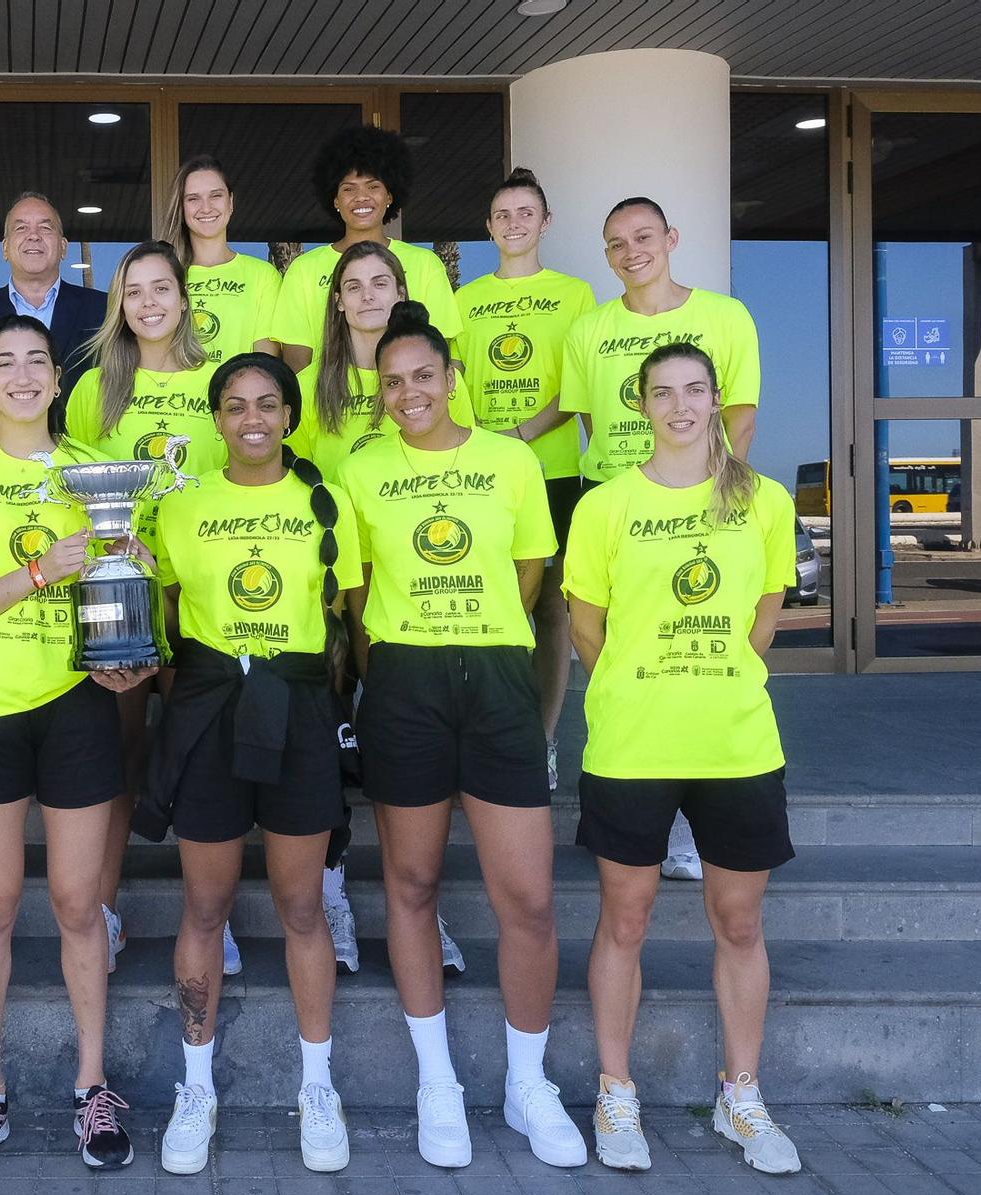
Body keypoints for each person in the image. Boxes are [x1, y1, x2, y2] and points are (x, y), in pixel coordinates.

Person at [338, 302, 586, 1171]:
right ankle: (435, 1080)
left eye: (424, 376)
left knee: (529, 898)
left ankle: (528, 1084)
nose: (409, 392)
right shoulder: (363, 471)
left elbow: (528, 572)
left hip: (498, 680)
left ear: (452, 378)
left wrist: (475, 631)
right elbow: (357, 597)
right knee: (411, 884)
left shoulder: (510, 459)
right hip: (405, 682)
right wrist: (398, 662)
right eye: (393, 380)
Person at [563, 341, 802, 1176]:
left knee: (737, 920)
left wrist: (708, 677)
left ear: (715, 398)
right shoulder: (604, 506)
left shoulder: (763, 501)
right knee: (624, 920)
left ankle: (741, 1096)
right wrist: (640, 686)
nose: (680, 406)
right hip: (633, 742)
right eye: (661, 393)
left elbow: (765, 616)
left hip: (735, 741)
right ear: (640, 405)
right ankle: (616, 1090)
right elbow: (587, 629)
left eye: (695, 390)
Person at [0, 315, 151, 1176]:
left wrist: (131, 624)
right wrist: (33, 574)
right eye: (4, 364)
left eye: (36, 363)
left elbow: (128, 581)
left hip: (77, 706)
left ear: (59, 380)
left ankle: (92, 1086)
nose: (21, 377)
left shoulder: (92, 469)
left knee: (77, 904)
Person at [138, 353, 357, 1175]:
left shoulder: (325, 501)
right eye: (234, 406)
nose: (252, 419)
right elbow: (160, 615)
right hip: (209, 710)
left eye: (267, 404)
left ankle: (316, 1084)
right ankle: (196, 1087)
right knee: (206, 905)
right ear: (216, 418)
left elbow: (346, 630)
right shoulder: (182, 505)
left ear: (290, 415)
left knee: (302, 908)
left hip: (297, 712)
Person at [288, 241, 475, 977]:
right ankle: (333, 892)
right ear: (335, 301)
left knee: (423, 765)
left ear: (402, 288)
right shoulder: (313, 386)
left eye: (380, 282)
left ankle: (428, 913)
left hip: (420, 596)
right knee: (332, 753)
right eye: (352, 285)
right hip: (333, 598)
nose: (366, 295)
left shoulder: (425, 373)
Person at [560, 196, 760, 881]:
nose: (631, 250)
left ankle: (685, 822)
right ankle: (642, 799)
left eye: (643, 236)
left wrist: (710, 489)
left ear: (672, 238)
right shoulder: (589, 329)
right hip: (616, 507)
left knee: (694, 650)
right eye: (616, 242)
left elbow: (740, 413)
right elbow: (590, 428)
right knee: (620, 649)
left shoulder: (724, 317)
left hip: (704, 501)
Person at [63, 240, 224, 974]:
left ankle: (209, 919)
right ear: (119, 305)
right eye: (135, 292)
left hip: (200, 588)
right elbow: (66, 492)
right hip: (118, 591)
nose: (150, 303)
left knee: (200, 755)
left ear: (185, 298)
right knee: (116, 755)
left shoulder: (221, 380)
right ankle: (105, 912)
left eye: (163, 288)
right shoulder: (97, 388)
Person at [455, 170, 595, 792]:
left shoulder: (576, 294)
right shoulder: (465, 299)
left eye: (525, 213)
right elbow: (453, 385)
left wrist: (521, 435)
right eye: (502, 214)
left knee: (550, 609)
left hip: (555, 469)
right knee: (489, 603)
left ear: (546, 222)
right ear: (488, 227)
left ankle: (541, 740)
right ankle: (481, 734)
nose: (514, 223)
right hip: (483, 476)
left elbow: (580, 385)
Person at [267, 126, 461, 373]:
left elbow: (440, 354)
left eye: (373, 187)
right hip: (329, 407)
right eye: (349, 189)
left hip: (406, 405)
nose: (361, 197)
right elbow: (297, 365)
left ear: (390, 196)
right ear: (335, 200)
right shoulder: (304, 270)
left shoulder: (425, 264)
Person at [0, 192, 108, 416]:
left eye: (45, 228)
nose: (34, 236)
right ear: (4, 248)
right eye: (21, 228)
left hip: (85, 445)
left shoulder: (103, 309)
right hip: (1, 446)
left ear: (63, 247)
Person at [157, 156, 282, 364]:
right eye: (193, 198)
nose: (206, 208)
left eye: (215, 196)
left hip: (238, 395)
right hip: (177, 396)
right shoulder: (165, 275)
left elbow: (264, 363)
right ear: (181, 208)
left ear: (230, 202)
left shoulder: (263, 275)